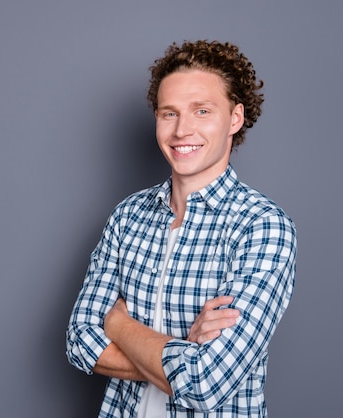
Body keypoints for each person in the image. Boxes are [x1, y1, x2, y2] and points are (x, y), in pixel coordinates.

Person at [66, 39, 297, 417]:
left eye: (202, 110)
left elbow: (205, 384)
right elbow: (79, 342)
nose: (181, 130)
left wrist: (118, 322)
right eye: (168, 113)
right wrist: (182, 349)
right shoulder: (128, 216)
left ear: (235, 118)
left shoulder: (262, 226)